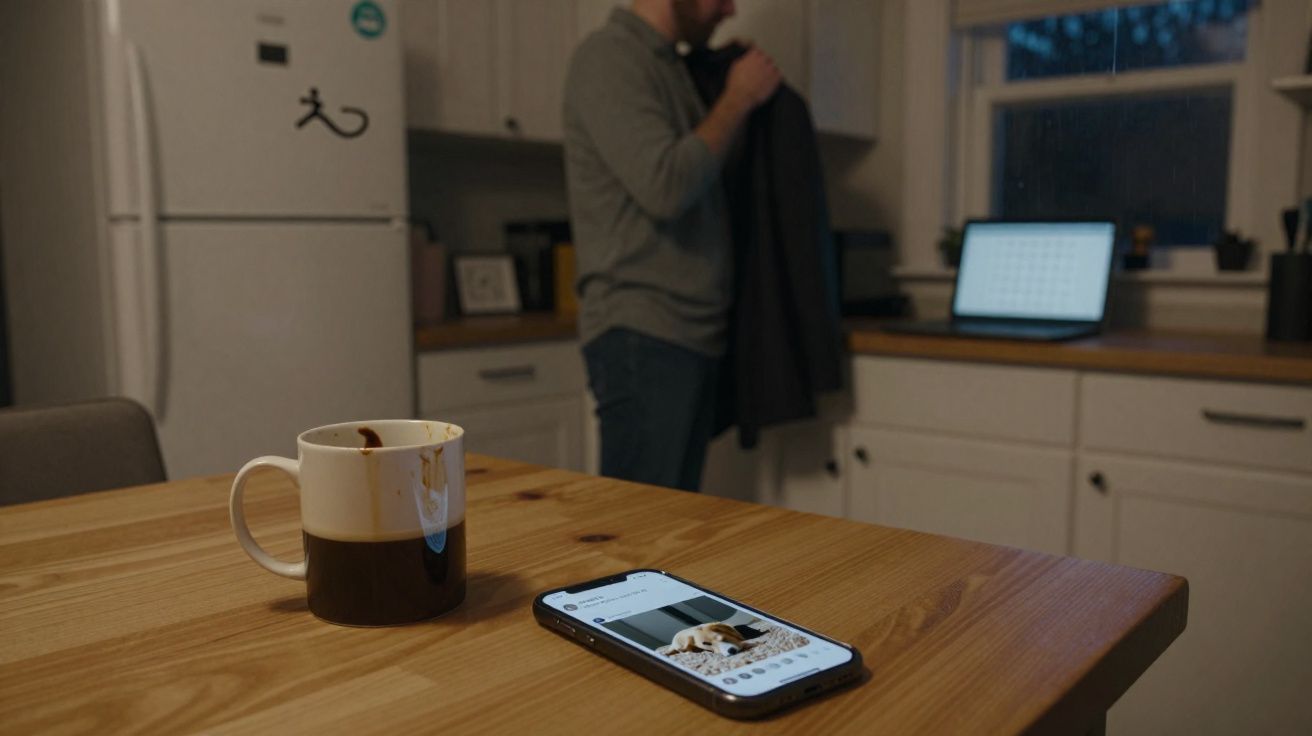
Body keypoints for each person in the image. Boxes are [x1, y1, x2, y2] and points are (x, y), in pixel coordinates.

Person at [563, 0, 780, 491]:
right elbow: (666, 186)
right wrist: (737, 98)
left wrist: (717, 77)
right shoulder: (609, 57)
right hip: (643, 332)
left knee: (666, 525)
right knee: (638, 535)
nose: (730, 10)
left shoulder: (668, 66)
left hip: (683, 332)